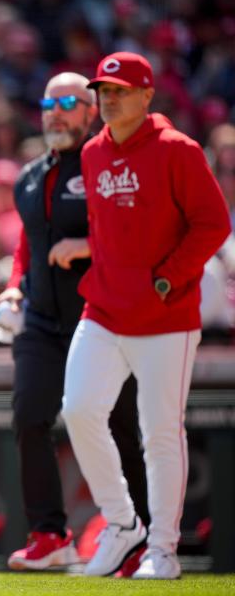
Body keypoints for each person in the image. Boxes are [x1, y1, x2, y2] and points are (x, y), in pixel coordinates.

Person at [60, 52, 231, 579]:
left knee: (159, 433)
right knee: (80, 410)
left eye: (119, 91)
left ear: (146, 95)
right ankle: (121, 524)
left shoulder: (179, 150)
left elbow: (213, 224)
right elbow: (117, 231)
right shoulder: (91, 152)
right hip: (105, 308)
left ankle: (163, 550)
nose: (108, 99)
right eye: (102, 92)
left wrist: (167, 277)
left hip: (166, 315)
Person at [0, 73, 150, 573]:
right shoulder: (30, 176)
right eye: (48, 102)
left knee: (122, 424)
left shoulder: (106, 166)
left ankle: (139, 536)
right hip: (40, 320)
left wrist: (86, 246)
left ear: (90, 112)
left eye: (68, 102)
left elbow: (135, 230)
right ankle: (50, 534)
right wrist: (15, 283)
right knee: (29, 417)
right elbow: (29, 243)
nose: (55, 112)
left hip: (102, 317)